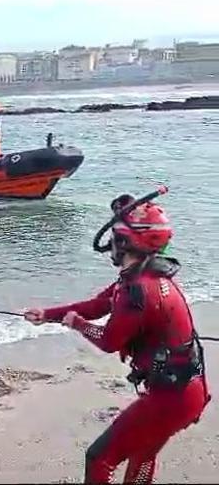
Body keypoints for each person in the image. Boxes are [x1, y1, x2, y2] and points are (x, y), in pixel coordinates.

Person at [24, 196, 210, 484]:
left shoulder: (137, 290)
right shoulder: (145, 275)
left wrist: (78, 325)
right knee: (143, 454)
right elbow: (99, 304)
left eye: (114, 237)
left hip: (170, 397)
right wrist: (48, 314)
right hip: (187, 391)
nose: (110, 243)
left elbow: (108, 340)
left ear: (125, 243)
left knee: (100, 458)